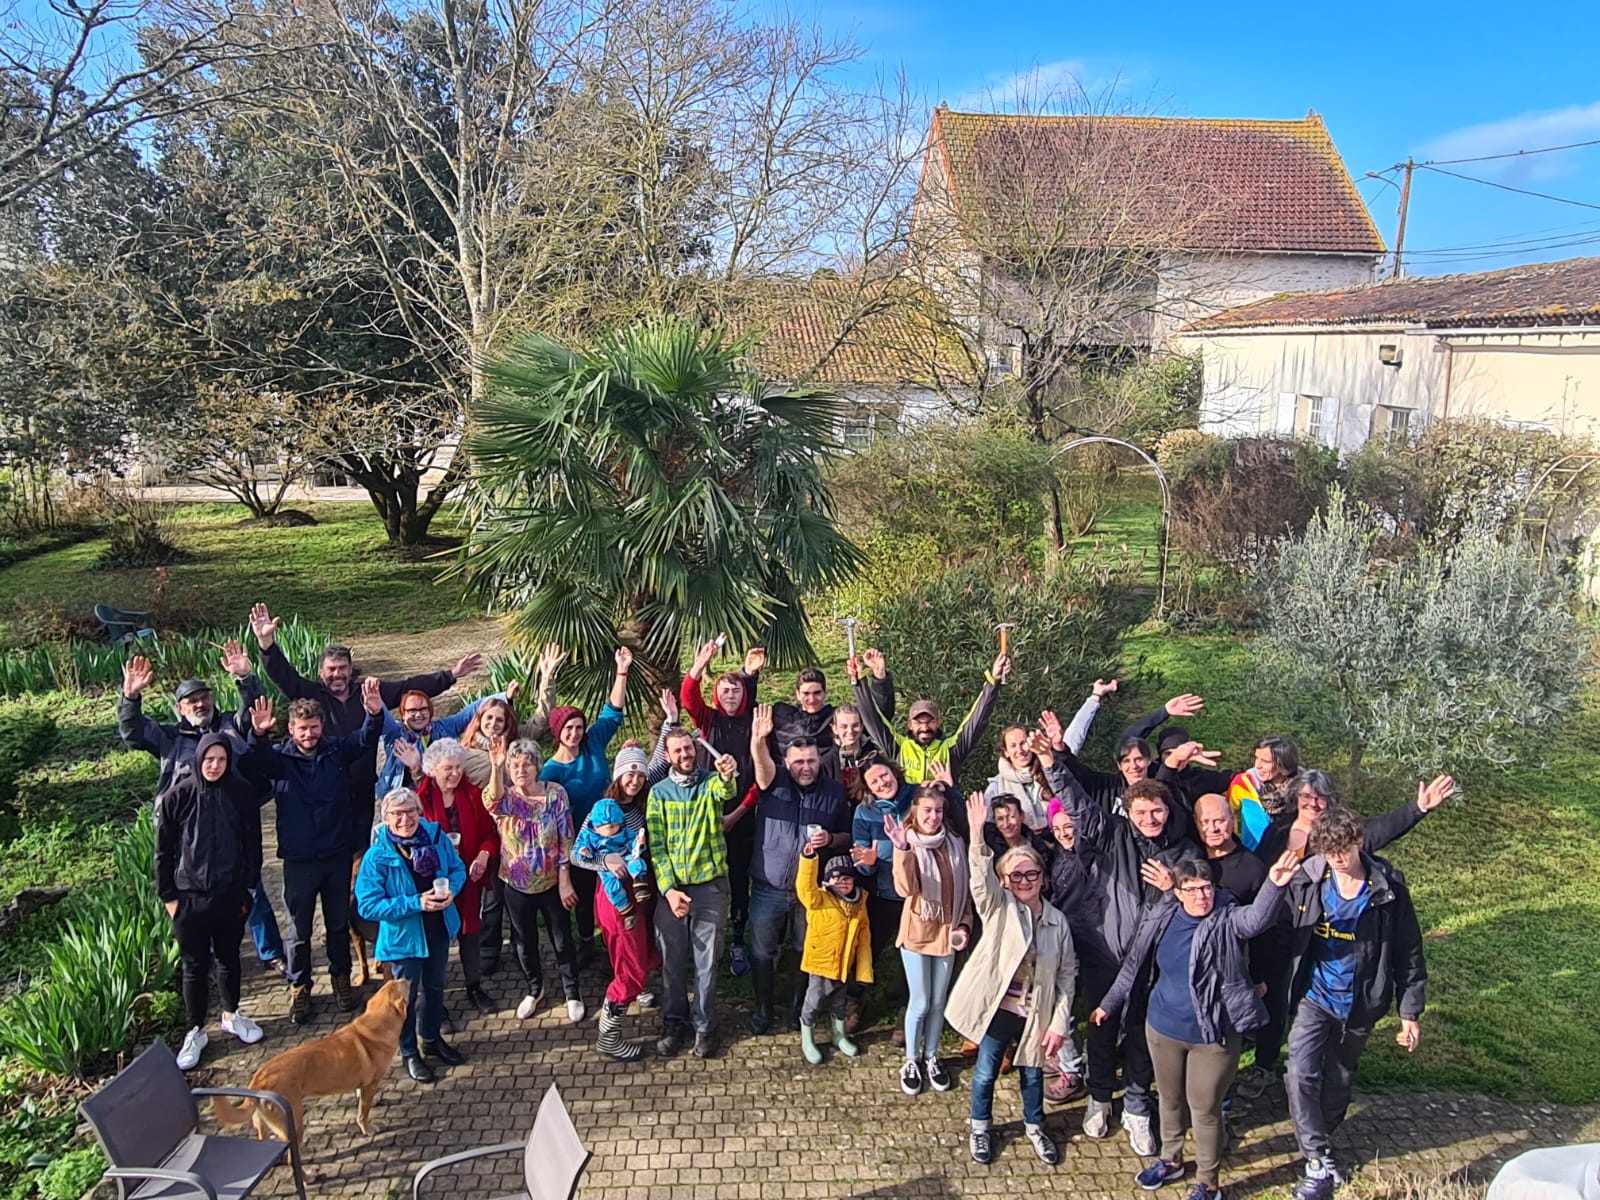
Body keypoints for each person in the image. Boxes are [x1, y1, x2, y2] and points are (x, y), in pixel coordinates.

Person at [1092, 851, 1301, 1200]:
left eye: (1206, 888)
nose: (1201, 896)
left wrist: (1275, 884)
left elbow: (1256, 920)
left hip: (1213, 1035)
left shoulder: (1226, 919)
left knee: (1204, 1109)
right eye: (1191, 889)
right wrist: (1108, 1004)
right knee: (1170, 1100)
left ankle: (1208, 1182)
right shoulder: (1162, 916)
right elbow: (1133, 963)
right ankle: (1170, 1160)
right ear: (1177, 892)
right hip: (1163, 1029)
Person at [1038, 713, 1196, 1156]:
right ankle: (1100, 1096)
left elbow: (1201, 893)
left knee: (1144, 1032)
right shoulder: (1111, 833)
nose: (1150, 818)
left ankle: (1138, 1107)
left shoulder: (1182, 850)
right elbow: (1077, 803)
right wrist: (1050, 763)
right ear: (1129, 812)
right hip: (1106, 951)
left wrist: (1174, 887)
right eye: (1141, 811)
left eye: (1157, 811)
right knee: (1102, 1026)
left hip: (1155, 961)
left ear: (1168, 812)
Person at [1283, 808, 1428, 1200]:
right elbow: (1281, 930)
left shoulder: (1387, 889)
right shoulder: (1310, 881)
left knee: (1340, 1078)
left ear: (1358, 843)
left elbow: (1409, 950)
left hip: (1362, 1002)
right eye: (1329, 853)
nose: (1337, 861)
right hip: (1315, 997)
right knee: (1299, 1071)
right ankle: (1316, 1160)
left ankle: (1323, 1143)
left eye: (1343, 852)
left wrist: (1409, 1012)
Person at [248, 601, 482, 843]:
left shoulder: (368, 693)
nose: (337, 674)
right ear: (321, 672)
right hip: (326, 787)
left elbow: (408, 687)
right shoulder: (312, 693)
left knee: (361, 846)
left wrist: (451, 675)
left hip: (362, 787)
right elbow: (282, 675)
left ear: (351, 670)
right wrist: (266, 642)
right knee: (333, 846)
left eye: (342, 668)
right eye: (331, 669)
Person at [118, 647, 285, 976]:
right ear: (179, 708)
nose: (199, 704)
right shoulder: (169, 738)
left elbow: (255, 711)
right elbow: (133, 733)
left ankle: (271, 952)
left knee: (251, 889)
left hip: (231, 826)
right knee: (194, 896)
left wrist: (245, 677)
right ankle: (206, 959)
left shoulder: (231, 726)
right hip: (188, 834)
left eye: (204, 698)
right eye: (191, 701)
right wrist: (130, 698)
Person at [946, 792, 1077, 1168]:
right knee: (986, 1072)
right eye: (1016, 875)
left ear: (1042, 877)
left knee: (1033, 1076)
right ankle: (980, 1127)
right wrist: (975, 834)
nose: (1024, 881)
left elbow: (1067, 976)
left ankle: (1035, 1126)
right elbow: (980, 882)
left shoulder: (1057, 922)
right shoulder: (999, 908)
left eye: (1031, 874)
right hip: (998, 1010)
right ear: (1005, 880)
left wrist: (1059, 1023)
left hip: (1036, 1012)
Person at [251, 678, 385, 1024]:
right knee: (299, 931)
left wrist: (373, 715)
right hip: (299, 860)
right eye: (302, 728)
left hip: (337, 855)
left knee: (338, 925)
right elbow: (258, 761)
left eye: (313, 727)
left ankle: (341, 981)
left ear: (321, 726)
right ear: (291, 729)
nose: (309, 734)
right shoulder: (281, 759)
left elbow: (364, 741)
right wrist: (260, 734)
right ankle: (300, 987)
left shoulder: (335, 751)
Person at [156, 724, 268, 1069]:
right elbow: (163, 852)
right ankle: (195, 1030)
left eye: (221, 759)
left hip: (230, 894)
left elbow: (253, 842)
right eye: (209, 759)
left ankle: (232, 1015)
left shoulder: (241, 793)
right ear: (199, 759)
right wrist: (169, 897)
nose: (215, 765)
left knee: (229, 958)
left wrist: (249, 886)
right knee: (194, 966)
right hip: (189, 897)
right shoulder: (178, 796)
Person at [747, 704, 853, 1035]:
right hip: (769, 885)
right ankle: (763, 1007)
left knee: (804, 950)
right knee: (762, 950)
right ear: (786, 762)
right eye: (799, 762)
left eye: (811, 761)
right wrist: (758, 741)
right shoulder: (775, 781)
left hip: (811, 890)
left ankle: (797, 1007)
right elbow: (761, 768)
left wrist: (830, 838)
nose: (806, 768)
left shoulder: (833, 791)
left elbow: (848, 834)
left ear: (820, 760)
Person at [354, 787, 468, 1084]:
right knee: (404, 1000)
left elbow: (458, 869)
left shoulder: (436, 837)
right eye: (397, 814)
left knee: (435, 988)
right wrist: (415, 903)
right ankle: (409, 1052)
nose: (405, 819)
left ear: (419, 812)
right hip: (403, 939)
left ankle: (431, 1039)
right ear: (386, 818)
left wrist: (452, 890)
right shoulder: (377, 856)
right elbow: (367, 905)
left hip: (438, 928)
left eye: (410, 812)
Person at [572, 735, 673, 1062]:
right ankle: (609, 1036)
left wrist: (670, 723)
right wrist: (605, 860)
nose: (635, 780)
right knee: (629, 963)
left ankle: (638, 988)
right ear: (617, 775)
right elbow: (576, 853)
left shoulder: (644, 798)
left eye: (640, 775)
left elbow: (657, 762)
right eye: (629, 773)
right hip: (616, 896)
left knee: (643, 950)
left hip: (642, 889)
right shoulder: (601, 809)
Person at [538, 646, 635, 961]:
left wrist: (622, 670)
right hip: (580, 844)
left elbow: (612, 712)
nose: (575, 733)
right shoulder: (551, 771)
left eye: (579, 727)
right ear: (558, 733)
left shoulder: (593, 745)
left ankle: (616, 942)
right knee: (583, 898)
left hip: (613, 836)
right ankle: (586, 943)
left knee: (612, 891)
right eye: (569, 728)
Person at [647, 729, 739, 1059]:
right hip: (672, 891)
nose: (685, 754)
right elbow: (657, 846)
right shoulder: (658, 793)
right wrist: (669, 889)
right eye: (678, 751)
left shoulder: (710, 782)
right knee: (672, 961)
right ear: (668, 756)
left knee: (706, 962)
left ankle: (705, 1025)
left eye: (688, 748)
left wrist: (726, 773)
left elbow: (726, 789)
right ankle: (674, 1022)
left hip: (709, 887)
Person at [483, 739, 583, 1024]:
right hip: (516, 886)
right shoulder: (506, 798)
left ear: (538, 766)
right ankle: (534, 989)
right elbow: (491, 800)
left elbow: (566, 837)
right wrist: (496, 767)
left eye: (527, 764)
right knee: (524, 942)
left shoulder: (556, 794)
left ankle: (572, 991)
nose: (520, 770)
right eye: (515, 765)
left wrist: (564, 879)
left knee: (562, 939)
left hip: (551, 883)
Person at [680, 638, 763, 978]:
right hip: (706, 817)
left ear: (745, 695)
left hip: (742, 816)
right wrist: (700, 664)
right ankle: (696, 936)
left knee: (740, 879)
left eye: (737, 690)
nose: (731, 695)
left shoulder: (753, 725)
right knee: (702, 877)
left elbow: (759, 778)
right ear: (717, 695)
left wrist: (738, 813)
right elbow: (688, 696)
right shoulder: (707, 720)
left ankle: (738, 938)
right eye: (725, 690)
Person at [886, 782, 971, 1097]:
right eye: (927, 810)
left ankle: (931, 1056)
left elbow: (964, 891)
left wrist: (964, 925)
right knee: (920, 1001)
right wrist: (901, 850)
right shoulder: (908, 841)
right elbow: (905, 889)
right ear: (915, 811)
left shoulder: (954, 842)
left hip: (948, 933)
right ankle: (911, 1060)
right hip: (918, 935)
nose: (933, 817)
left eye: (938, 811)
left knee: (938, 1001)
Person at [409, 738, 499, 1014]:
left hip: (468, 877)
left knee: (470, 932)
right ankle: (435, 1001)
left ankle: (474, 986)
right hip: (433, 881)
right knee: (435, 938)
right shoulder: (419, 799)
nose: (455, 773)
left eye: (459, 767)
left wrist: (484, 854)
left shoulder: (473, 794)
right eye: (448, 768)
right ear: (433, 769)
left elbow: (489, 835)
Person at [854, 648, 1008, 783]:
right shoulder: (899, 747)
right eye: (918, 722)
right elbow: (872, 719)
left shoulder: (950, 749)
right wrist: (859, 680)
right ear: (910, 725)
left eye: (929, 721)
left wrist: (993, 682)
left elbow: (976, 721)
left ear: (938, 723)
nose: (924, 727)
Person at [1051, 691, 1206, 817]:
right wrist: (1059, 747)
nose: (1134, 766)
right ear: (1119, 765)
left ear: (1149, 760)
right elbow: (1075, 771)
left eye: (1139, 759)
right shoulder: (1107, 787)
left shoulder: (1162, 784)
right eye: (1126, 761)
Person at [848, 757, 917, 1036]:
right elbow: (861, 859)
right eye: (874, 781)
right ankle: (855, 1000)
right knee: (869, 948)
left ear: (895, 773)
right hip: (883, 894)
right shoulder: (864, 813)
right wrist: (869, 863)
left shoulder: (917, 796)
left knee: (912, 953)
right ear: (867, 788)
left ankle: (906, 1010)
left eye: (884, 775)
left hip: (917, 894)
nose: (882, 783)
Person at [793, 849, 873, 1065]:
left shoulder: (859, 903)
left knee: (840, 1003)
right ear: (827, 881)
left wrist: (864, 970)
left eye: (847, 878)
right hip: (820, 965)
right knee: (813, 1002)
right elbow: (804, 886)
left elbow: (864, 938)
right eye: (836, 878)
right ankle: (807, 1038)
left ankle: (839, 1036)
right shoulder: (818, 898)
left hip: (844, 966)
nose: (843, 883)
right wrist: (809, 860)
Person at [377, 687, 498, 798]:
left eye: (423, 709)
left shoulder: (442, 728)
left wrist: (504, 696)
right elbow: (382, 716)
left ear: (430, 712)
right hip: (397, 795)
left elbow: (471, 711)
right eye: (412, 710)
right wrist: (375, 703)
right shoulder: (395, 733)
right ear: (403, 714)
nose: (418, 714)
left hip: (434, 795)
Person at [574, 798, 649, 929]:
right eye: (605, 827)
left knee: (636, 862)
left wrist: (639, 844)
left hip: (626, 856)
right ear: (595, 827)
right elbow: (576, 853)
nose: (611, 830)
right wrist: (585, 852)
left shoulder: (626, 831)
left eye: (614, 826)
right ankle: (626, 910)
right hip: (606, 869)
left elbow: (634, 844)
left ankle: (640, 885)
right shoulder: (589, 835)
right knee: (611, 887)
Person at [982, 793, 1052, 861]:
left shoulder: (1038, 848)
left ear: (1022, 816)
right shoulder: (989, 844)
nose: (1006, 824)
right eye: (1000, 819)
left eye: (1011, 817)